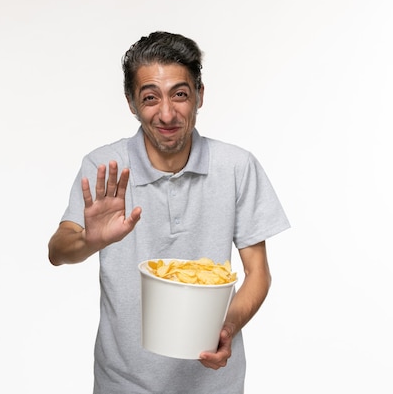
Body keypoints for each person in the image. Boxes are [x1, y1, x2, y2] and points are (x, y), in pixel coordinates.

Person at [48, 31, 290, 394]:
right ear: (131, 103)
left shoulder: (237, 166)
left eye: (180, 94)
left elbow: (259, 273)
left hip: (214, 383)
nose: (167, 113)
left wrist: (227, 328)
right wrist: (88, 240)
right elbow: (57, 251)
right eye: (150, 98)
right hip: (123, 383)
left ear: (199, 96)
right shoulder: (104, 166)